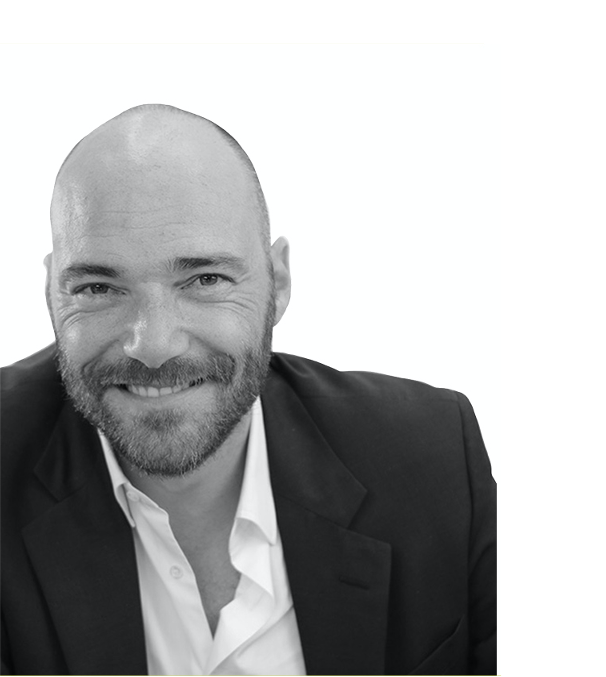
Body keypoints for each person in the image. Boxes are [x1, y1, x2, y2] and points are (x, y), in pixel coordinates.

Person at [0, 104, 496, 676]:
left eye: (204, 279)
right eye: (97, 287)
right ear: (52, 295)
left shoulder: (433, 459)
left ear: (277, 283)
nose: (152, 345)